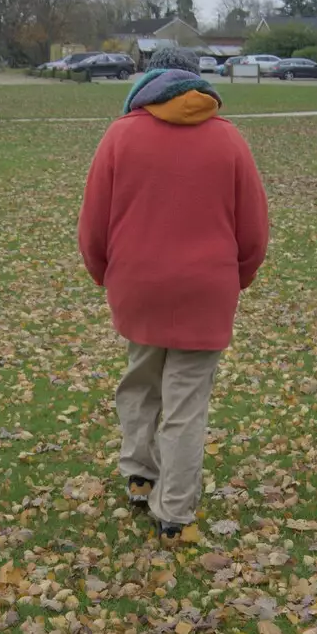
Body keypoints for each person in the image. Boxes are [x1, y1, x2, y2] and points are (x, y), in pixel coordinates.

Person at [79, 45, 269, 540]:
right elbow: (253, 232)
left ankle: (140, 473)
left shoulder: (120, 136)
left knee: (140, 382)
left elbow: (93, 223)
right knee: (186, 403)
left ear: (148, 79)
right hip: (206, 288)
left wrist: (105, 274)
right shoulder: (229, 141)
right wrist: (235, 278)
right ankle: (174, 510)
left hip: (137, 284)